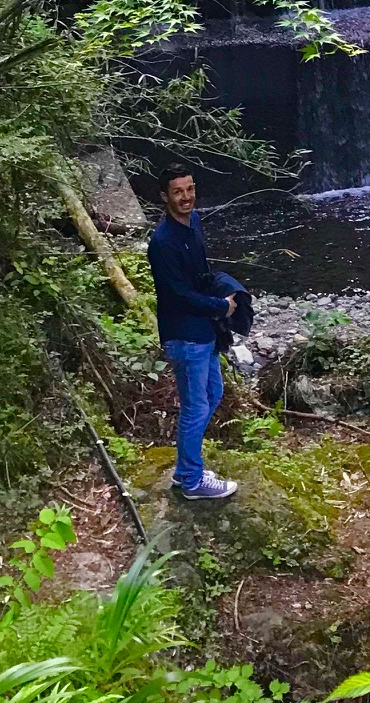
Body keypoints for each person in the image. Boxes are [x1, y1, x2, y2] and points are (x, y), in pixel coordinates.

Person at [147, 163, 240, 500]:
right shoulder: (163, 242)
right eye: (177, 192)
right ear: (164, 197)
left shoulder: (195, 223)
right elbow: (179, 295)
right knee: (195, 407)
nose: (186, 197)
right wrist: (221, 307)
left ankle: (188, 468)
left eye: (189, 189)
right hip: (184, 336)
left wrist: (224, 288)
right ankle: (191, 482)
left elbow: (201, 273)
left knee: (212, 396)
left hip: (203, 332)